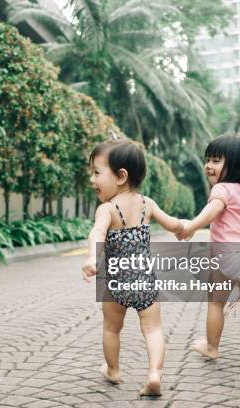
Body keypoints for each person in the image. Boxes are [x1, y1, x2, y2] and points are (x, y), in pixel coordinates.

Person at [81, 137, 184, 396]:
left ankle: (113, 370)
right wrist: (185, 228)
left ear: (121, 176)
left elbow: (97, 233)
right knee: (154, 329)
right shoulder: (147, 204)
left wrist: (93, 258)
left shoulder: (107, 209)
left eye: (96, 172)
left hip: (115, 283)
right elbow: (172, 224)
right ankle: (153, 375)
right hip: (144, 281)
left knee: (111, 328)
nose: (91, 179)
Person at [176, 134, 240, 373]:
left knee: (216, 303)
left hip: (226, 257)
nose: (209, 165)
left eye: (216, 160)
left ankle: (211, 347)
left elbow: (213, 210)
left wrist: (191, 226)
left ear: (236, 164)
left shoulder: (222, 189)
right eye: (207, 160)